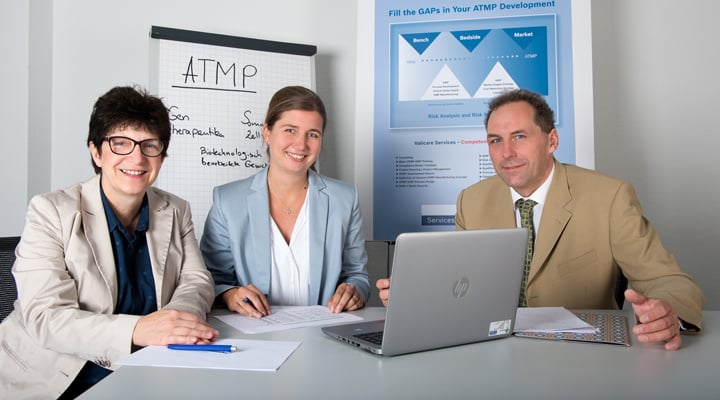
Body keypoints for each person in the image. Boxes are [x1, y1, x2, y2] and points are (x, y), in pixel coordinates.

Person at [377, 88, 704, 351]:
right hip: (488, 352)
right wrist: (417, 295)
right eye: (495, 140)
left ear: (551, 141)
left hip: (581, 357)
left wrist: (668, 312)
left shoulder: (610, 197)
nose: (506, 153)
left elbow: (670, 281)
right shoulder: (471, 200)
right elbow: (460, 286)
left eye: (519, 136)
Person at [0, 86, 218, 398]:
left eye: (149, 145)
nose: (137, 157)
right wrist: (138, 330)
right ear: (96, 151)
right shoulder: (50, 211)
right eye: (120, 143)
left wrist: (175, 323)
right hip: (55, 377)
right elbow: (46, 317)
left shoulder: (175, 209)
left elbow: (196, 279)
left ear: (162, 154)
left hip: (146, 368)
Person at [201, 86, 370, 318]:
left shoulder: (345, 198)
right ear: (267, 133)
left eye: (313, 134)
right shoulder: (227, 201)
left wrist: (354, 291)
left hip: (323, 335)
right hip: (256, 337)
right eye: (290, 130)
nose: (301, 145)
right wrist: (230, 295)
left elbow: (357, 275)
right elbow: (211, 278)